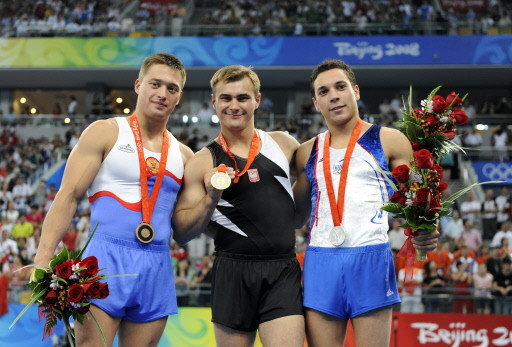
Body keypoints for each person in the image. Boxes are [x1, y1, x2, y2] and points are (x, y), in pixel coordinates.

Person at [32, 53, 193, 347]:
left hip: (156, 265)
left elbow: (188, 221)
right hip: (105, 259)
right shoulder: (106, 133)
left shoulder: (184, 156)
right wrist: (43, 259)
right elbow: (67, 196)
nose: (162, 94)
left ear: (179, 96)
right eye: (155, 84)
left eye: (171, 88)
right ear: (138, 85)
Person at [292, 59, 439, 346]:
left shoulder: (389, 140)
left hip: (370, 258)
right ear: (316, 103)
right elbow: (296, 217)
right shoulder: (306, 152)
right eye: (323, 92)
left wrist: (426, 228)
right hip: (320, 261)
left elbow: (420, 199)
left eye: (340, 87)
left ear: (355, 91)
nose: (333, 95)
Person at [172, 65, 304, 346]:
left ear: (257, 100)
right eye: (226, 98)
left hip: (282, 269)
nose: (234, 106)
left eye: (243, 98)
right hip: (232, 271)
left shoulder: (284, 144)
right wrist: (210, 197)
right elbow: (182, 232)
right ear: (213, 102)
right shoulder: (201, 162)